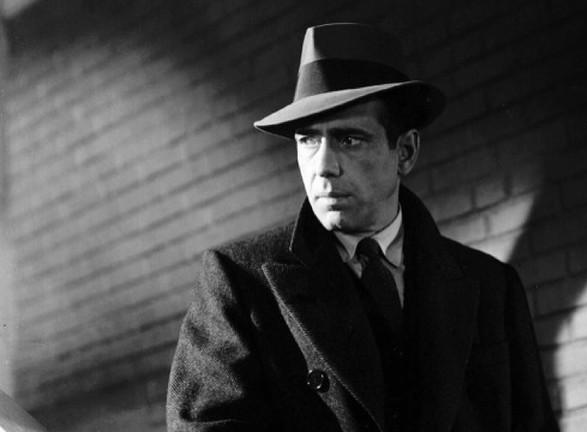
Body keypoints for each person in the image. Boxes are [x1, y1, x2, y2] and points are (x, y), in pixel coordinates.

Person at [166, 23, 559, 432]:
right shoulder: (241, 281)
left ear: (405, 151)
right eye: (307, 141)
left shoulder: (493, 286)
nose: (323, 166)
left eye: (348, 140)